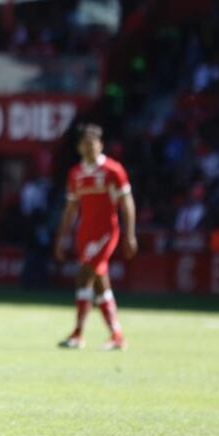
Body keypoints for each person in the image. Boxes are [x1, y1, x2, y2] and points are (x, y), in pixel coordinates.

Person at [54, 124, 137, 350]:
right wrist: (62, 237)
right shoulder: (76, 174)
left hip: (106, 233)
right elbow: (71, 208)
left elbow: (127, 202)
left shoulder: (113, 170)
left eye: (94, 143)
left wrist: (130, 234)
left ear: (101, 145)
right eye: (86, 143)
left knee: (83, 277)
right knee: (101, 285)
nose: (90, 147)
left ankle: (78, 334)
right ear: (80, 147)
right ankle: (117, 336)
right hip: (85, 234)